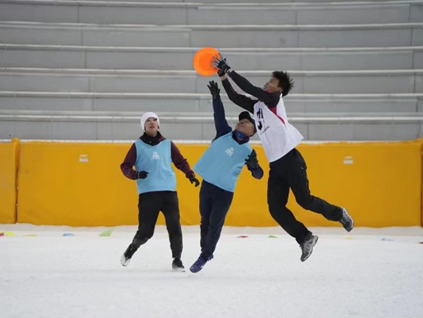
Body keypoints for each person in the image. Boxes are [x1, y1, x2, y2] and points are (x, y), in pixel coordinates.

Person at [213, 55, 354, 262]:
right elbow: (236, 98)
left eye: (271, 82)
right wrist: (224, 77)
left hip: (290, 159)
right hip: (276, 165)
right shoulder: (259, 106)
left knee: (304, 200)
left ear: (278, 89)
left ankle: (339, 213)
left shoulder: (274, 100)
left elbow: (250, 88)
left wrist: (230, 70)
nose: (267, 83)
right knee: (275, 208)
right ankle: (305, 237)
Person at [190, 81, 264, 273]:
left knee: (215, 224)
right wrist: (216, 98)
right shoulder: (224, 133)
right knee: (204, 222)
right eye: (241, 120)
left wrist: (254, 166)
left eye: (246, 121)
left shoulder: (249, 151)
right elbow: (219, 116)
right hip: (207, 186)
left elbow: (259, 175)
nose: (241, 121)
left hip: (225, 192)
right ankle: (205, 251)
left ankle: (204, 256)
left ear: (252, 131)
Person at [120, 112, 200, 271]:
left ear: (158, 124)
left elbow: (180, 161)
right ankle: (132, 248)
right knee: (145, 232)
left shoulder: (168, 144)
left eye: (154, 120)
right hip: (148, 194)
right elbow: (125, 166)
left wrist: (190, 174)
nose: (152, 122)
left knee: (174, 227)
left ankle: (177, 260)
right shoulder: (137, 145)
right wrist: (135, 175)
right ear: (143, 125)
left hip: (168, 192)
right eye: (148, 120)